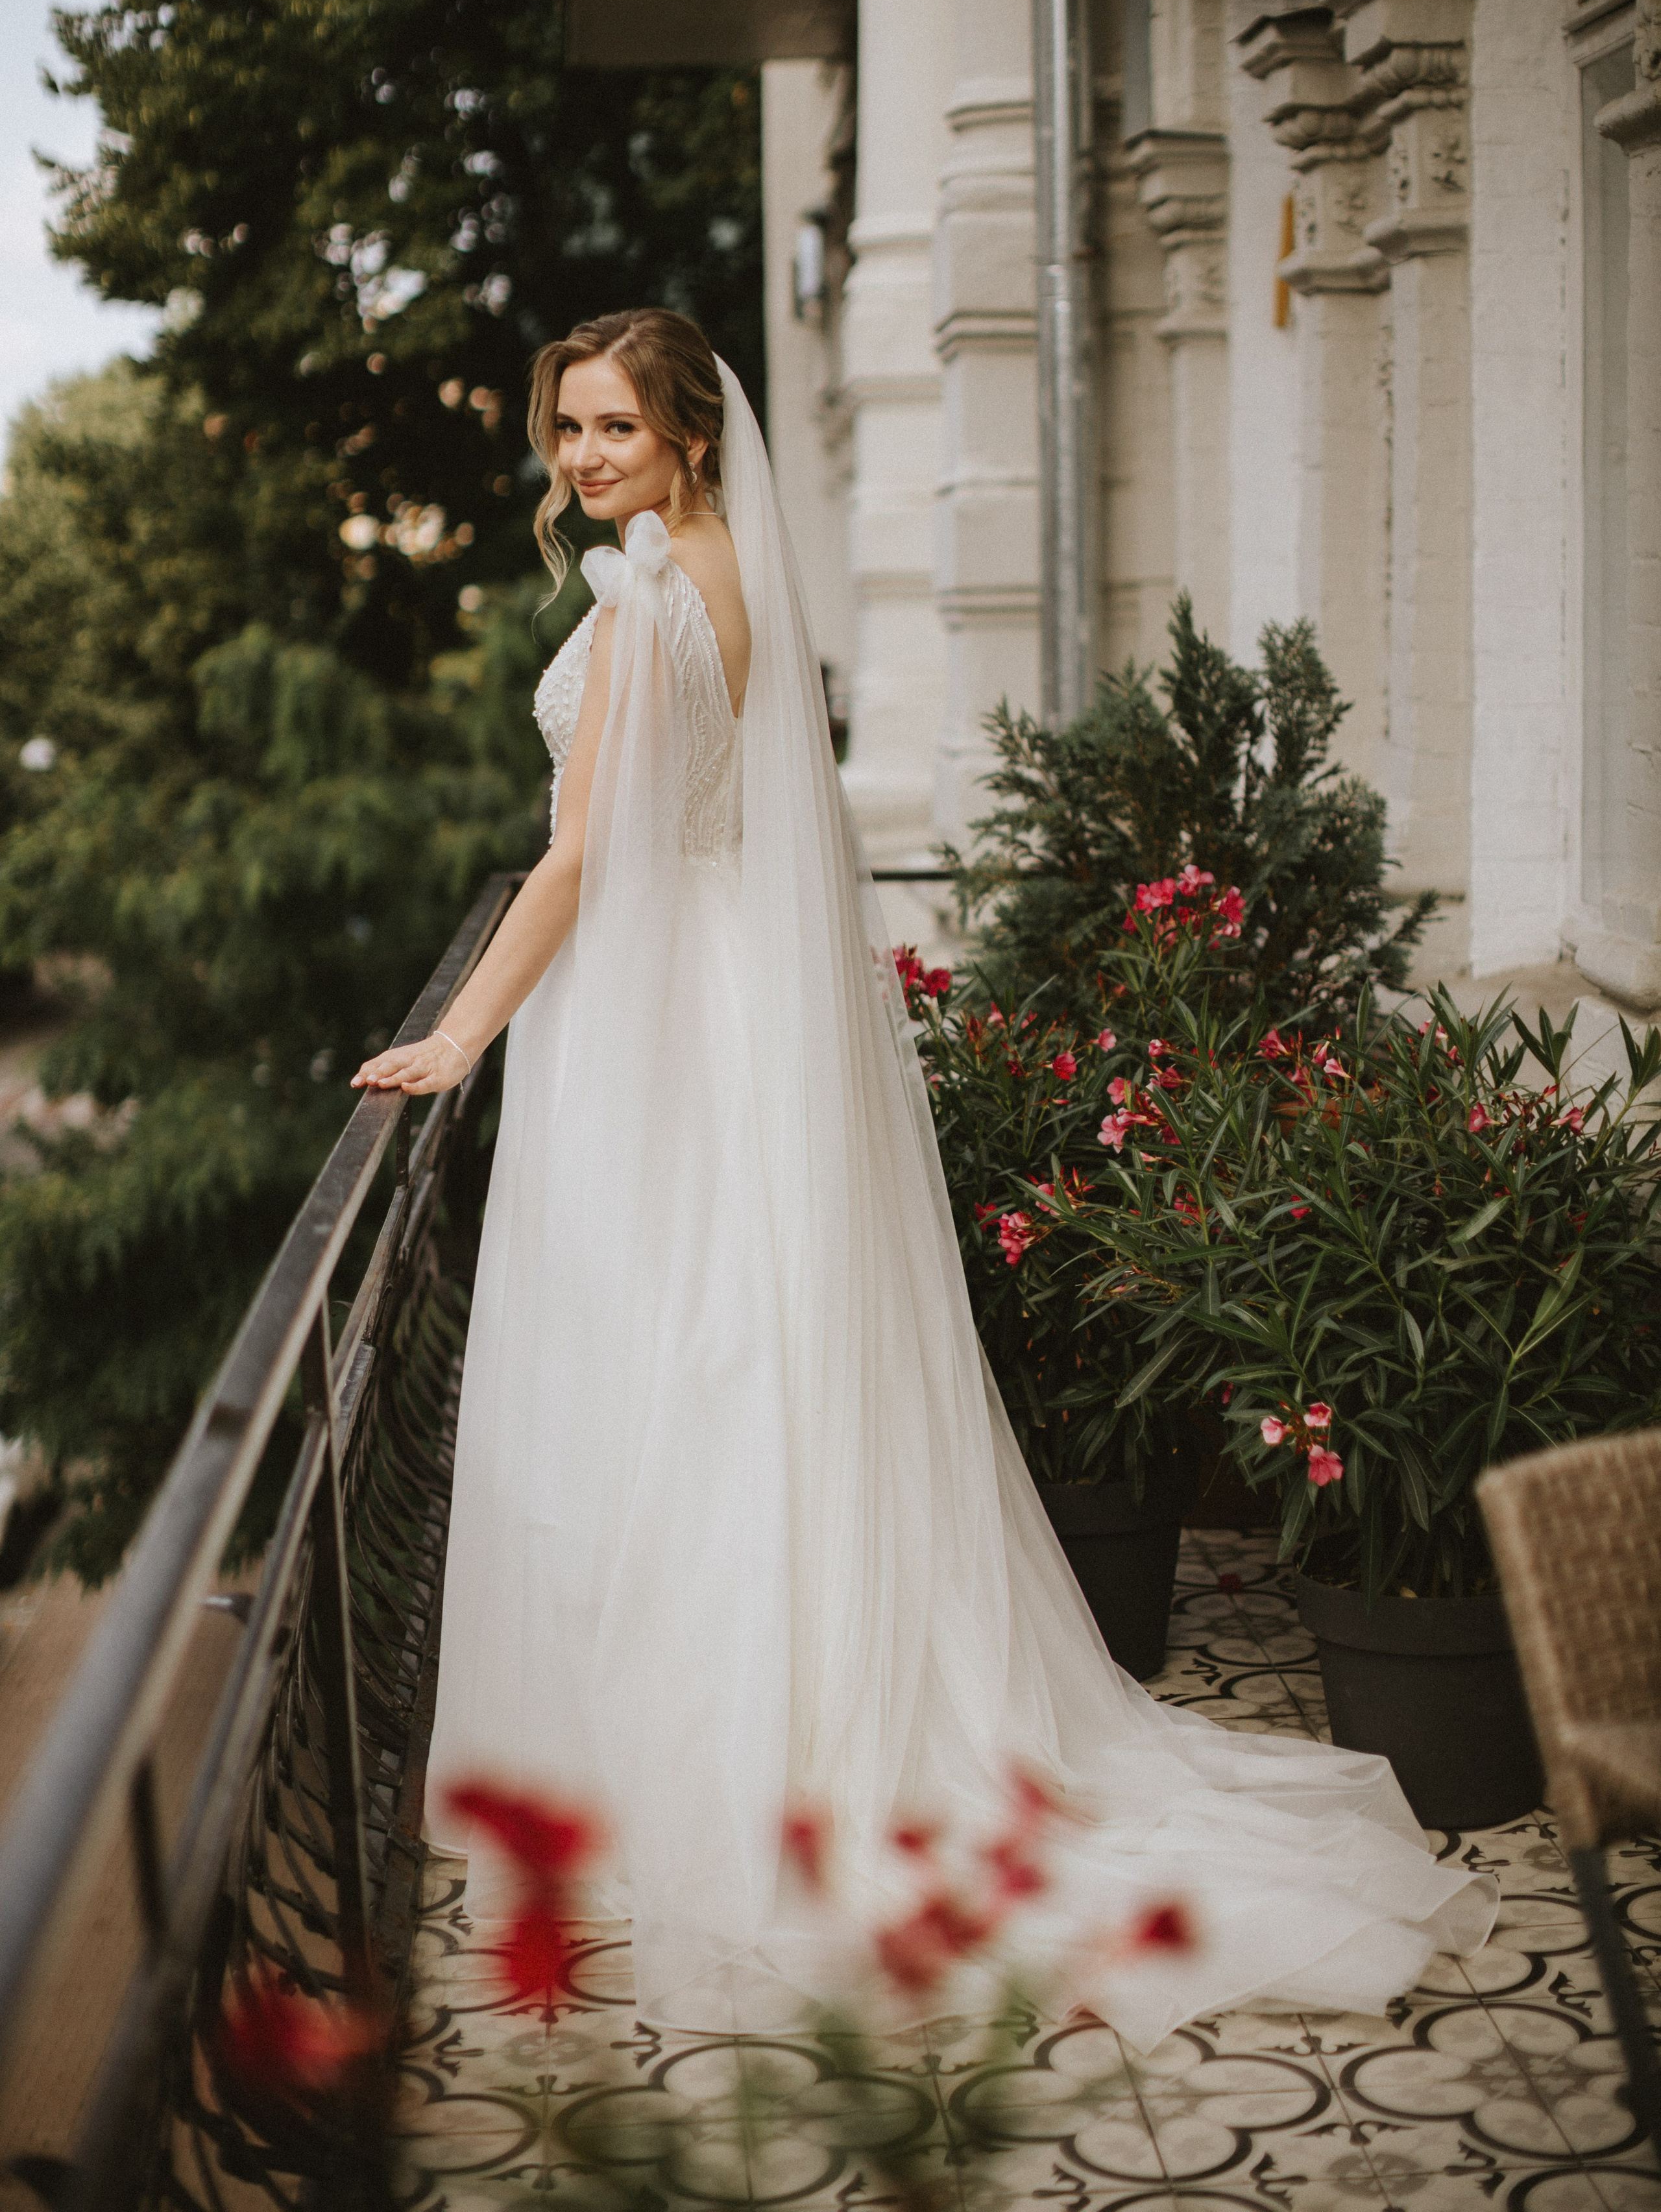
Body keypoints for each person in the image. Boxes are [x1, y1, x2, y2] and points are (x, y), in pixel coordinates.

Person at [353, 308, 1496, 2047]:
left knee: (678, 1372)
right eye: (566, 430)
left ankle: (706, 1760)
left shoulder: (649, 596)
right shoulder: (721, 565)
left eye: (610, 429)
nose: (580, 459)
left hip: (656, 1018)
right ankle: (757, 1720)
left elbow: (579, 857)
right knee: (744, 1365)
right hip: (727, 997)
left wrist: (464, 1039)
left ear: (686, 438)